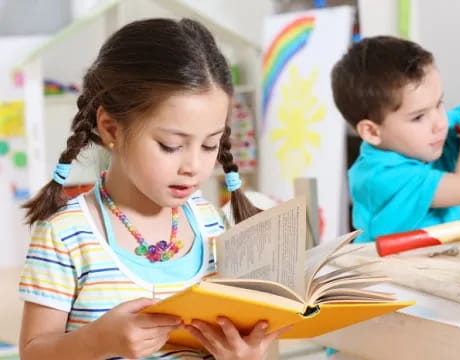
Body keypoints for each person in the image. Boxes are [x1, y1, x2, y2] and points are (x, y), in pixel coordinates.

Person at [18, 18, 288, 360]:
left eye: (209, 146)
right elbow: (32, 354)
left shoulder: (209, 223)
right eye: (171, 145)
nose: (193, 166)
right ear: (111, 129)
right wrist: (97, 341)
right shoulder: (65, 235)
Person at [331, 35, 460, 243]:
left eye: (439, 103)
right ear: (372, 132)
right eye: (419, 117)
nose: (440, 123)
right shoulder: (379, 177)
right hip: (384, 272)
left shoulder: (428, 135)